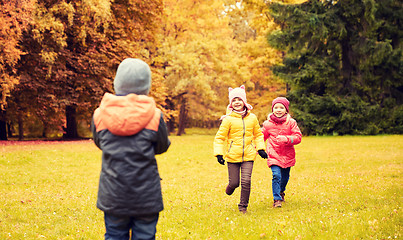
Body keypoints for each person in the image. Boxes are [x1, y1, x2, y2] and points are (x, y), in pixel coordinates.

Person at [91, 58, 171, 240]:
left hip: (113, 194)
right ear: (146, 86)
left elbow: (100, 143)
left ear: (117, 83)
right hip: (146, 195)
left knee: (114, 236)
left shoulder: (99, 115)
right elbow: (161, 146)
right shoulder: (155, 116)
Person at [213, 85, 268, 214]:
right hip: (232, 156)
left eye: (239, 99)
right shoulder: (228, 120)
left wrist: (260, 148)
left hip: (248, 155)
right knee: (235, 183)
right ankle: (230, 188)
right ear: (231, 104)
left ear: (244, 101)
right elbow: (220, 138)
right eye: (234, 100)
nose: (237, 102)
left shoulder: (252, 118)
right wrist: (219, 154)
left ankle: (243, 206)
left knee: (246, 181)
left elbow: (258, 134)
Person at [261, 97, 302, 208]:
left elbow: (298, 137)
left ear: (286, 110)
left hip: (288, 155)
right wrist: (259, 149)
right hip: (273, 154)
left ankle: (281, 191)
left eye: (281, 107)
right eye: (276, 107)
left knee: (285, 178)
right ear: (272, 109)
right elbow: (260, 138)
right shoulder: (267, 124)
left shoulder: (291, 123)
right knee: (276, 175)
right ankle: (277, 199)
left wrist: (286, 139)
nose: (278, 110)